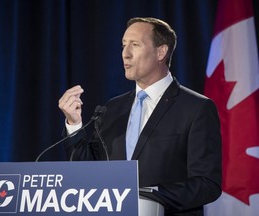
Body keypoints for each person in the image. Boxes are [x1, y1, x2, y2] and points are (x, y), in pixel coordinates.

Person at [59, 17, 222, 216]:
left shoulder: (196, 108)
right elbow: (88, 175)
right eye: (123, 45)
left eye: (134, 45)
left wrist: (148, 195)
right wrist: (74, 125)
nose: (125, 54)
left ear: (161, 52)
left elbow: (207, 184)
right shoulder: (112, 109)